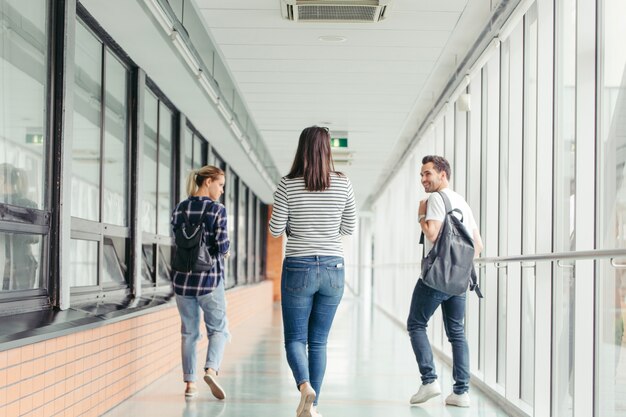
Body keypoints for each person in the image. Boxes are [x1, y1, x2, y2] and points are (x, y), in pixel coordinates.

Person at [269, 126, 357, 417]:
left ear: (301, 148)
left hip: (298, 265)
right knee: (319, 340)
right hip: (334, 267)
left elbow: (275, 229)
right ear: (327, 150)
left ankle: (304, 386)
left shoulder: (287, 184)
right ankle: (314, 407)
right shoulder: (344, 184)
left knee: (295, 339)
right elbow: (349, 228)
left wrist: (297, 225)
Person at [407, 155, 483, 408]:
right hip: (459, 281)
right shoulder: (462, 202)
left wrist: (421, 214)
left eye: (427, 174)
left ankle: (429, 380)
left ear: (443, 175)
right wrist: (458, 267)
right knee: (457, 334)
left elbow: (432, 232)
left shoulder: (435, 199)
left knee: (416, 324)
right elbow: (478, 245)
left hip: (436, 277)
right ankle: (461, 393)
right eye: (421, 175)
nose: (423, 179)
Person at [170, 165, 230, 399]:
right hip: (209, 280)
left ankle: (190, 384)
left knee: (189, 333)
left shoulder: (180, 208)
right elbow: (223, 244)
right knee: (219, 330)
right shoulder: (217, 210)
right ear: (208, 182)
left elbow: (177, 239)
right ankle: (211, 369)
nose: (221, 190)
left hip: (182, 282)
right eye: (220, 185)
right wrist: (224, 251)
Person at [0, 163, 39, 291]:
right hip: (24, 265)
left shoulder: (3, 204)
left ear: (2, 179)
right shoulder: (29, 204)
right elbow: (35, 238)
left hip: (9, 267)